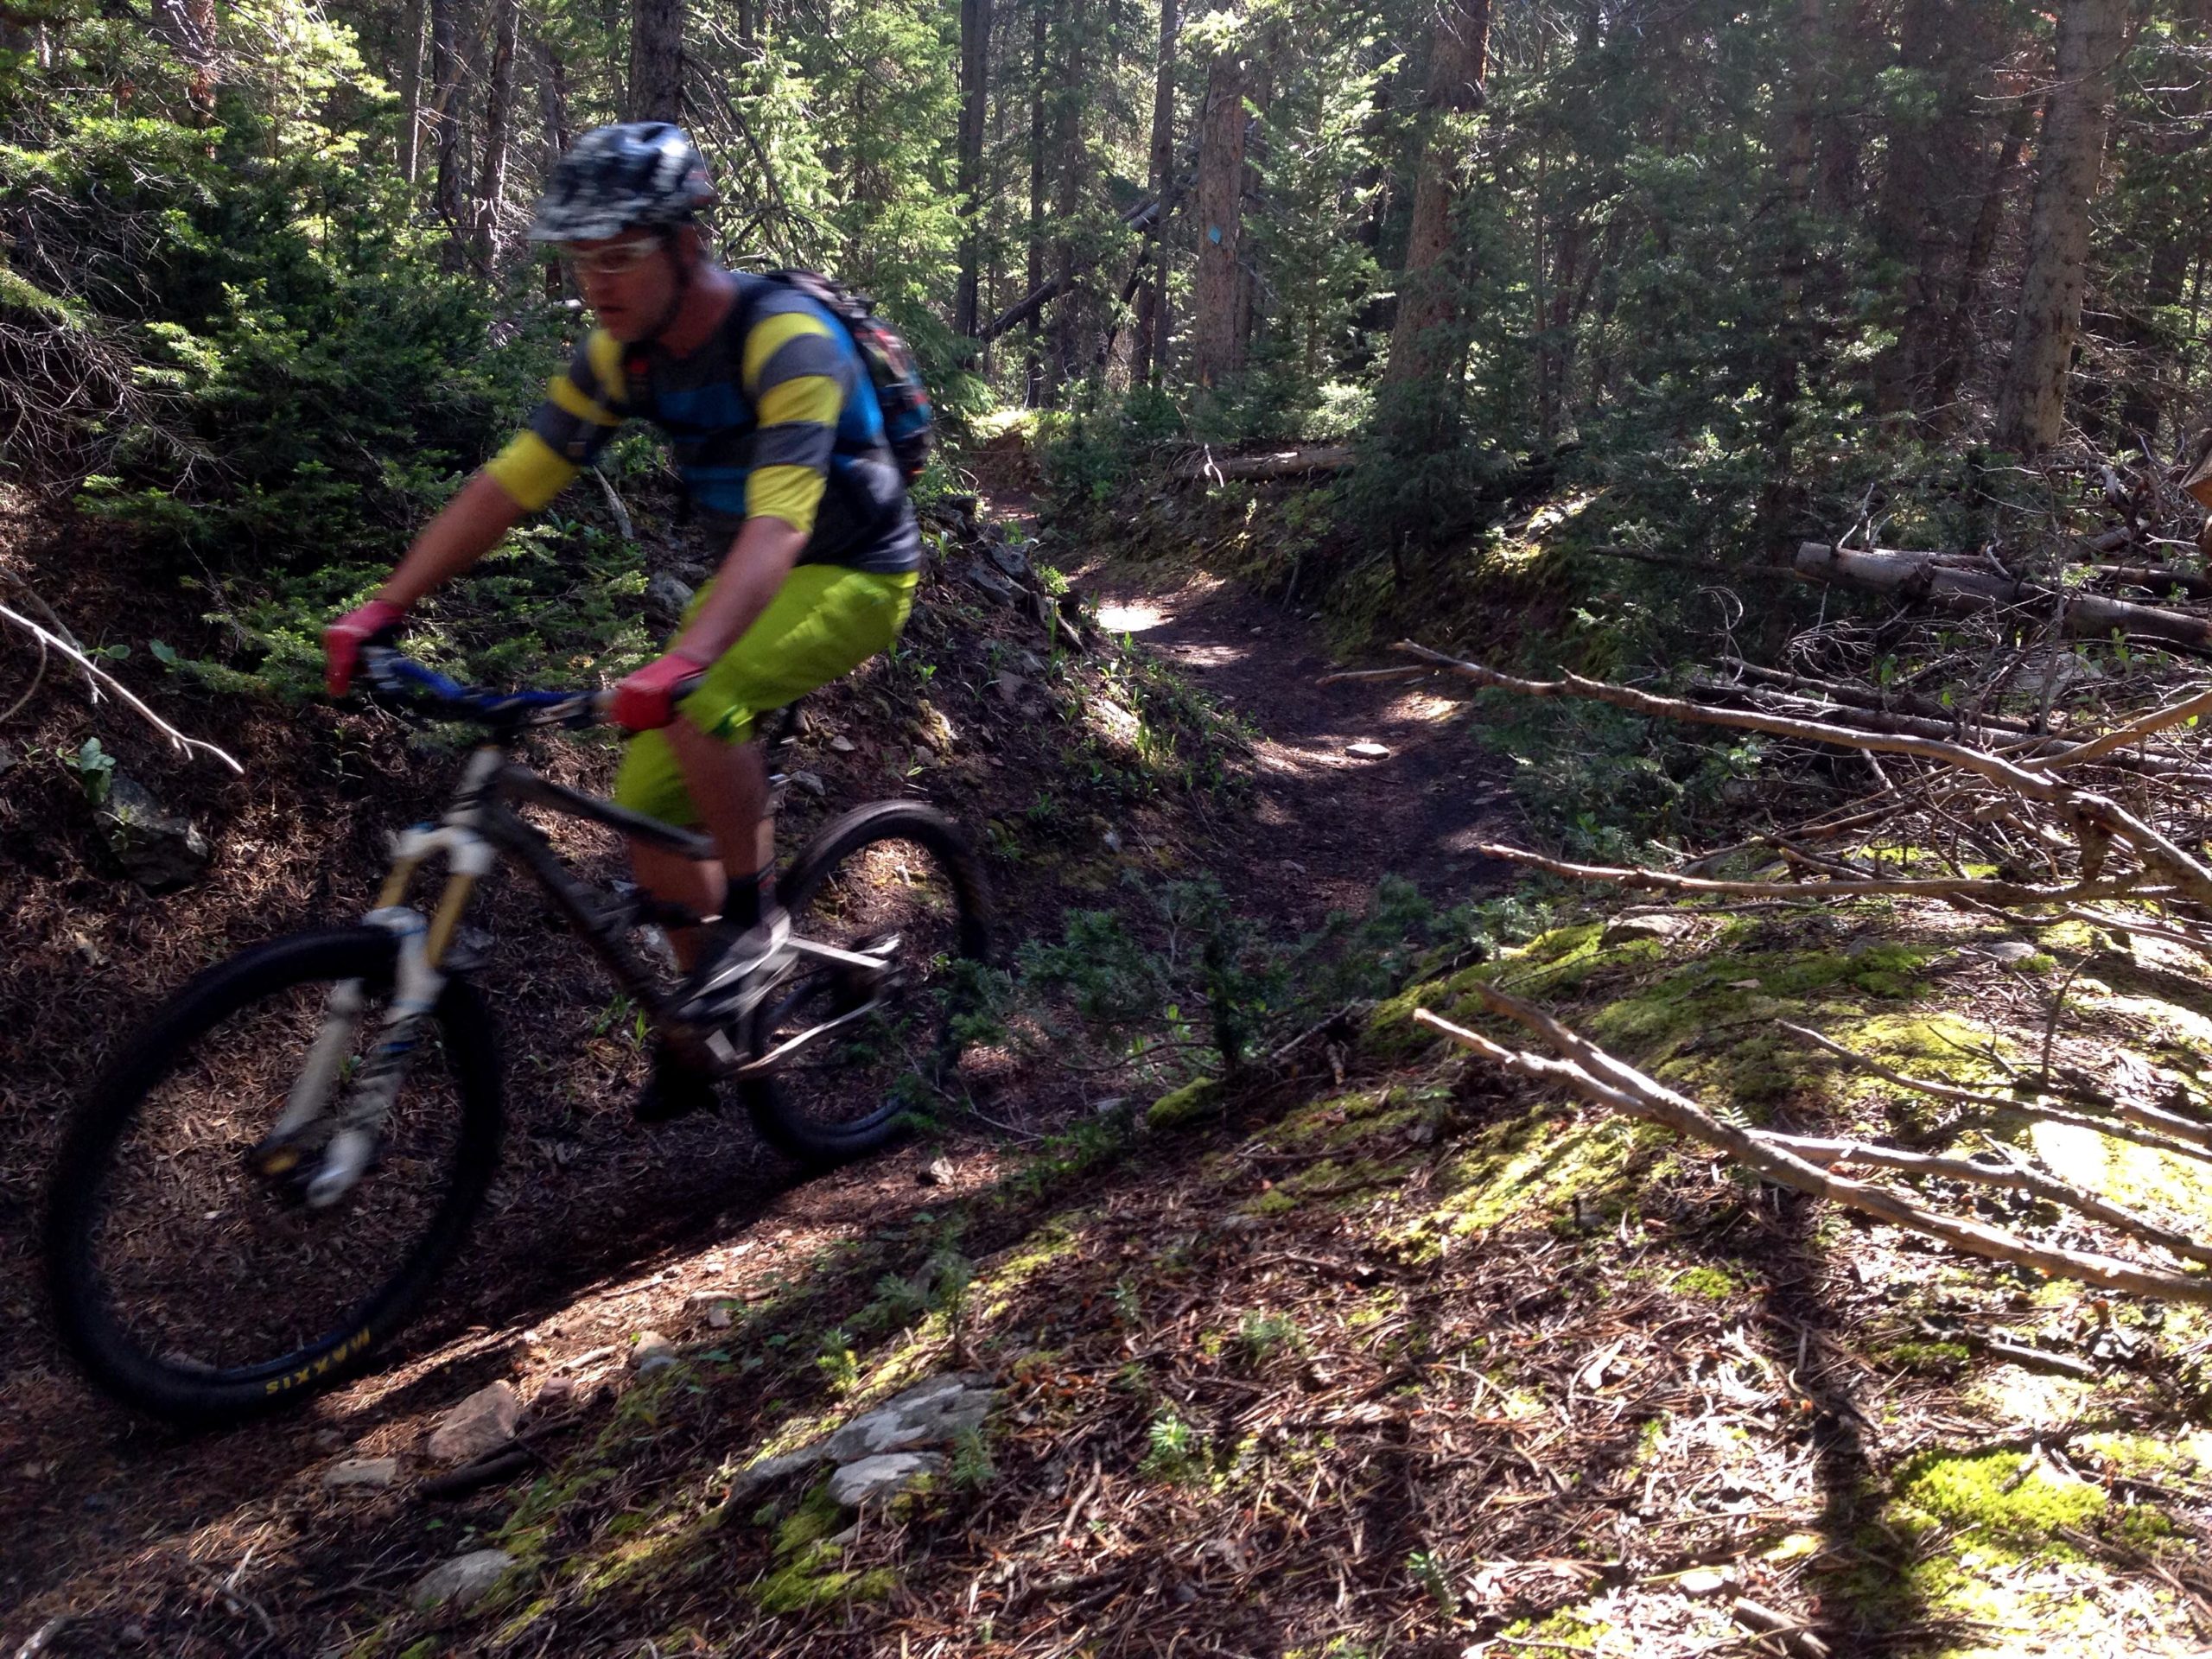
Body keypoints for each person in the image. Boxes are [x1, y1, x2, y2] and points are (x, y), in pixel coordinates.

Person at [322, 122, 921, 1120]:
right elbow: (512, 483)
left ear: (686, 246)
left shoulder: (788, 340)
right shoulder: (619, 357)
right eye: (579, 259)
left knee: (705, 698)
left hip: (851, 569)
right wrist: (387, 605)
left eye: (618, 256)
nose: (596, 281)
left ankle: (758, 930)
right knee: (649, 787)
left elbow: (781, 521)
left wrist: (689, 657)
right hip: (752, 573)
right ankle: (709, 1014)